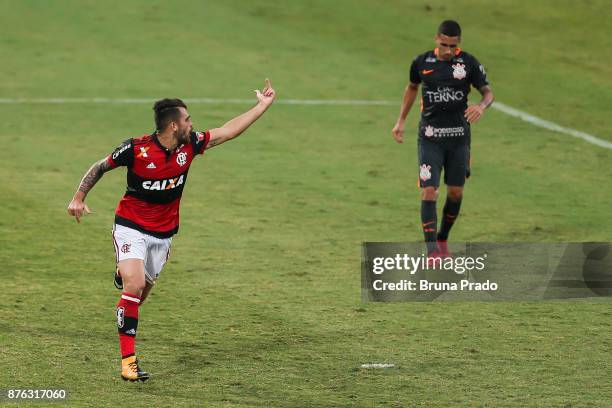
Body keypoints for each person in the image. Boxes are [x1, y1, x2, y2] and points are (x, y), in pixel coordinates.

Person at [67, 79, 276, 381]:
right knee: (134, 285)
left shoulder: (190, 145)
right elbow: (100, 166)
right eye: (188, 119)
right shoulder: (135, 149)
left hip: (163, 234)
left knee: (139, 295)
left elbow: (227, 132)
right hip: (131, 226)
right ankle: (128, 363)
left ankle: (124, 275)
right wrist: (78, 197)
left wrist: (261, 106)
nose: (193, 124)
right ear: (174, 126)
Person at [391, 20, 494, 260]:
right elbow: (412, 88)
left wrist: (481, 105)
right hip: (429, 139)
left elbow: (488, 93)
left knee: (456, 192)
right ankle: (432, 252)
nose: (448, 50)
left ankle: (443, 238)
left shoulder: (469, 63)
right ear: (436, 38)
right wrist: (400, 121)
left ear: (458, 43)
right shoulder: (421, 62)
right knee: (429, 191)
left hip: (459, 140)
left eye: (452, 45)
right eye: (443, 44)